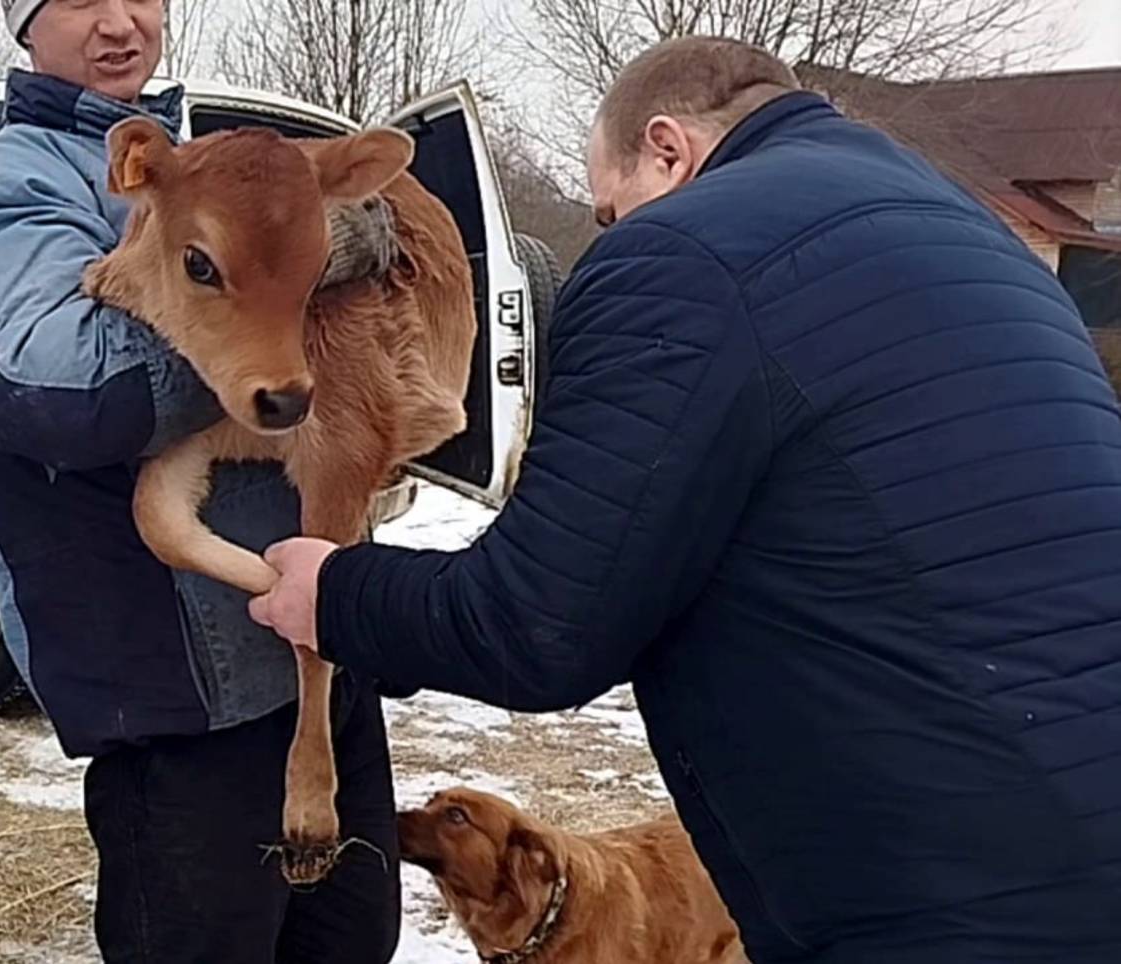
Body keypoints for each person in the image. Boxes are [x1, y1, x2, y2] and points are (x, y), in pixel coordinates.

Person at [251, 36, 1121, 964]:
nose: (610, 227)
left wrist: (341, 594)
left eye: (609, 206)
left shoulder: (680, 252)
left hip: (940, 884)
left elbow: (540, 625)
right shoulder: (978, 241)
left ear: (667, 150)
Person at [0, 0, 404, 960]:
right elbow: (59, 387)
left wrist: (300, 250)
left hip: (311, 662)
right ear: (27, 24)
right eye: (81, 1)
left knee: (349, 944)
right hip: (176, 691)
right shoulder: (1, 189)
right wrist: (278, 275)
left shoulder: (217, 163)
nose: (119, 24)